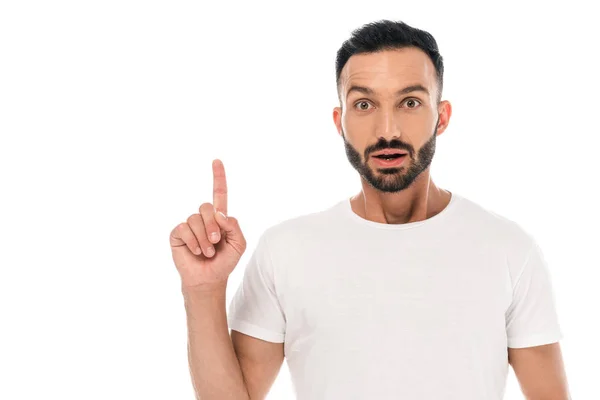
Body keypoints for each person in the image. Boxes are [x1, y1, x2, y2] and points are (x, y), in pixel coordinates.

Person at [169, 19, 570, 400]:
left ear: (441, 117)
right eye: (364, 105)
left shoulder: (508, 249)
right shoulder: (286, 250)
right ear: (339, 121)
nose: (387, 131)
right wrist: (202, 290)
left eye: (410, 102)